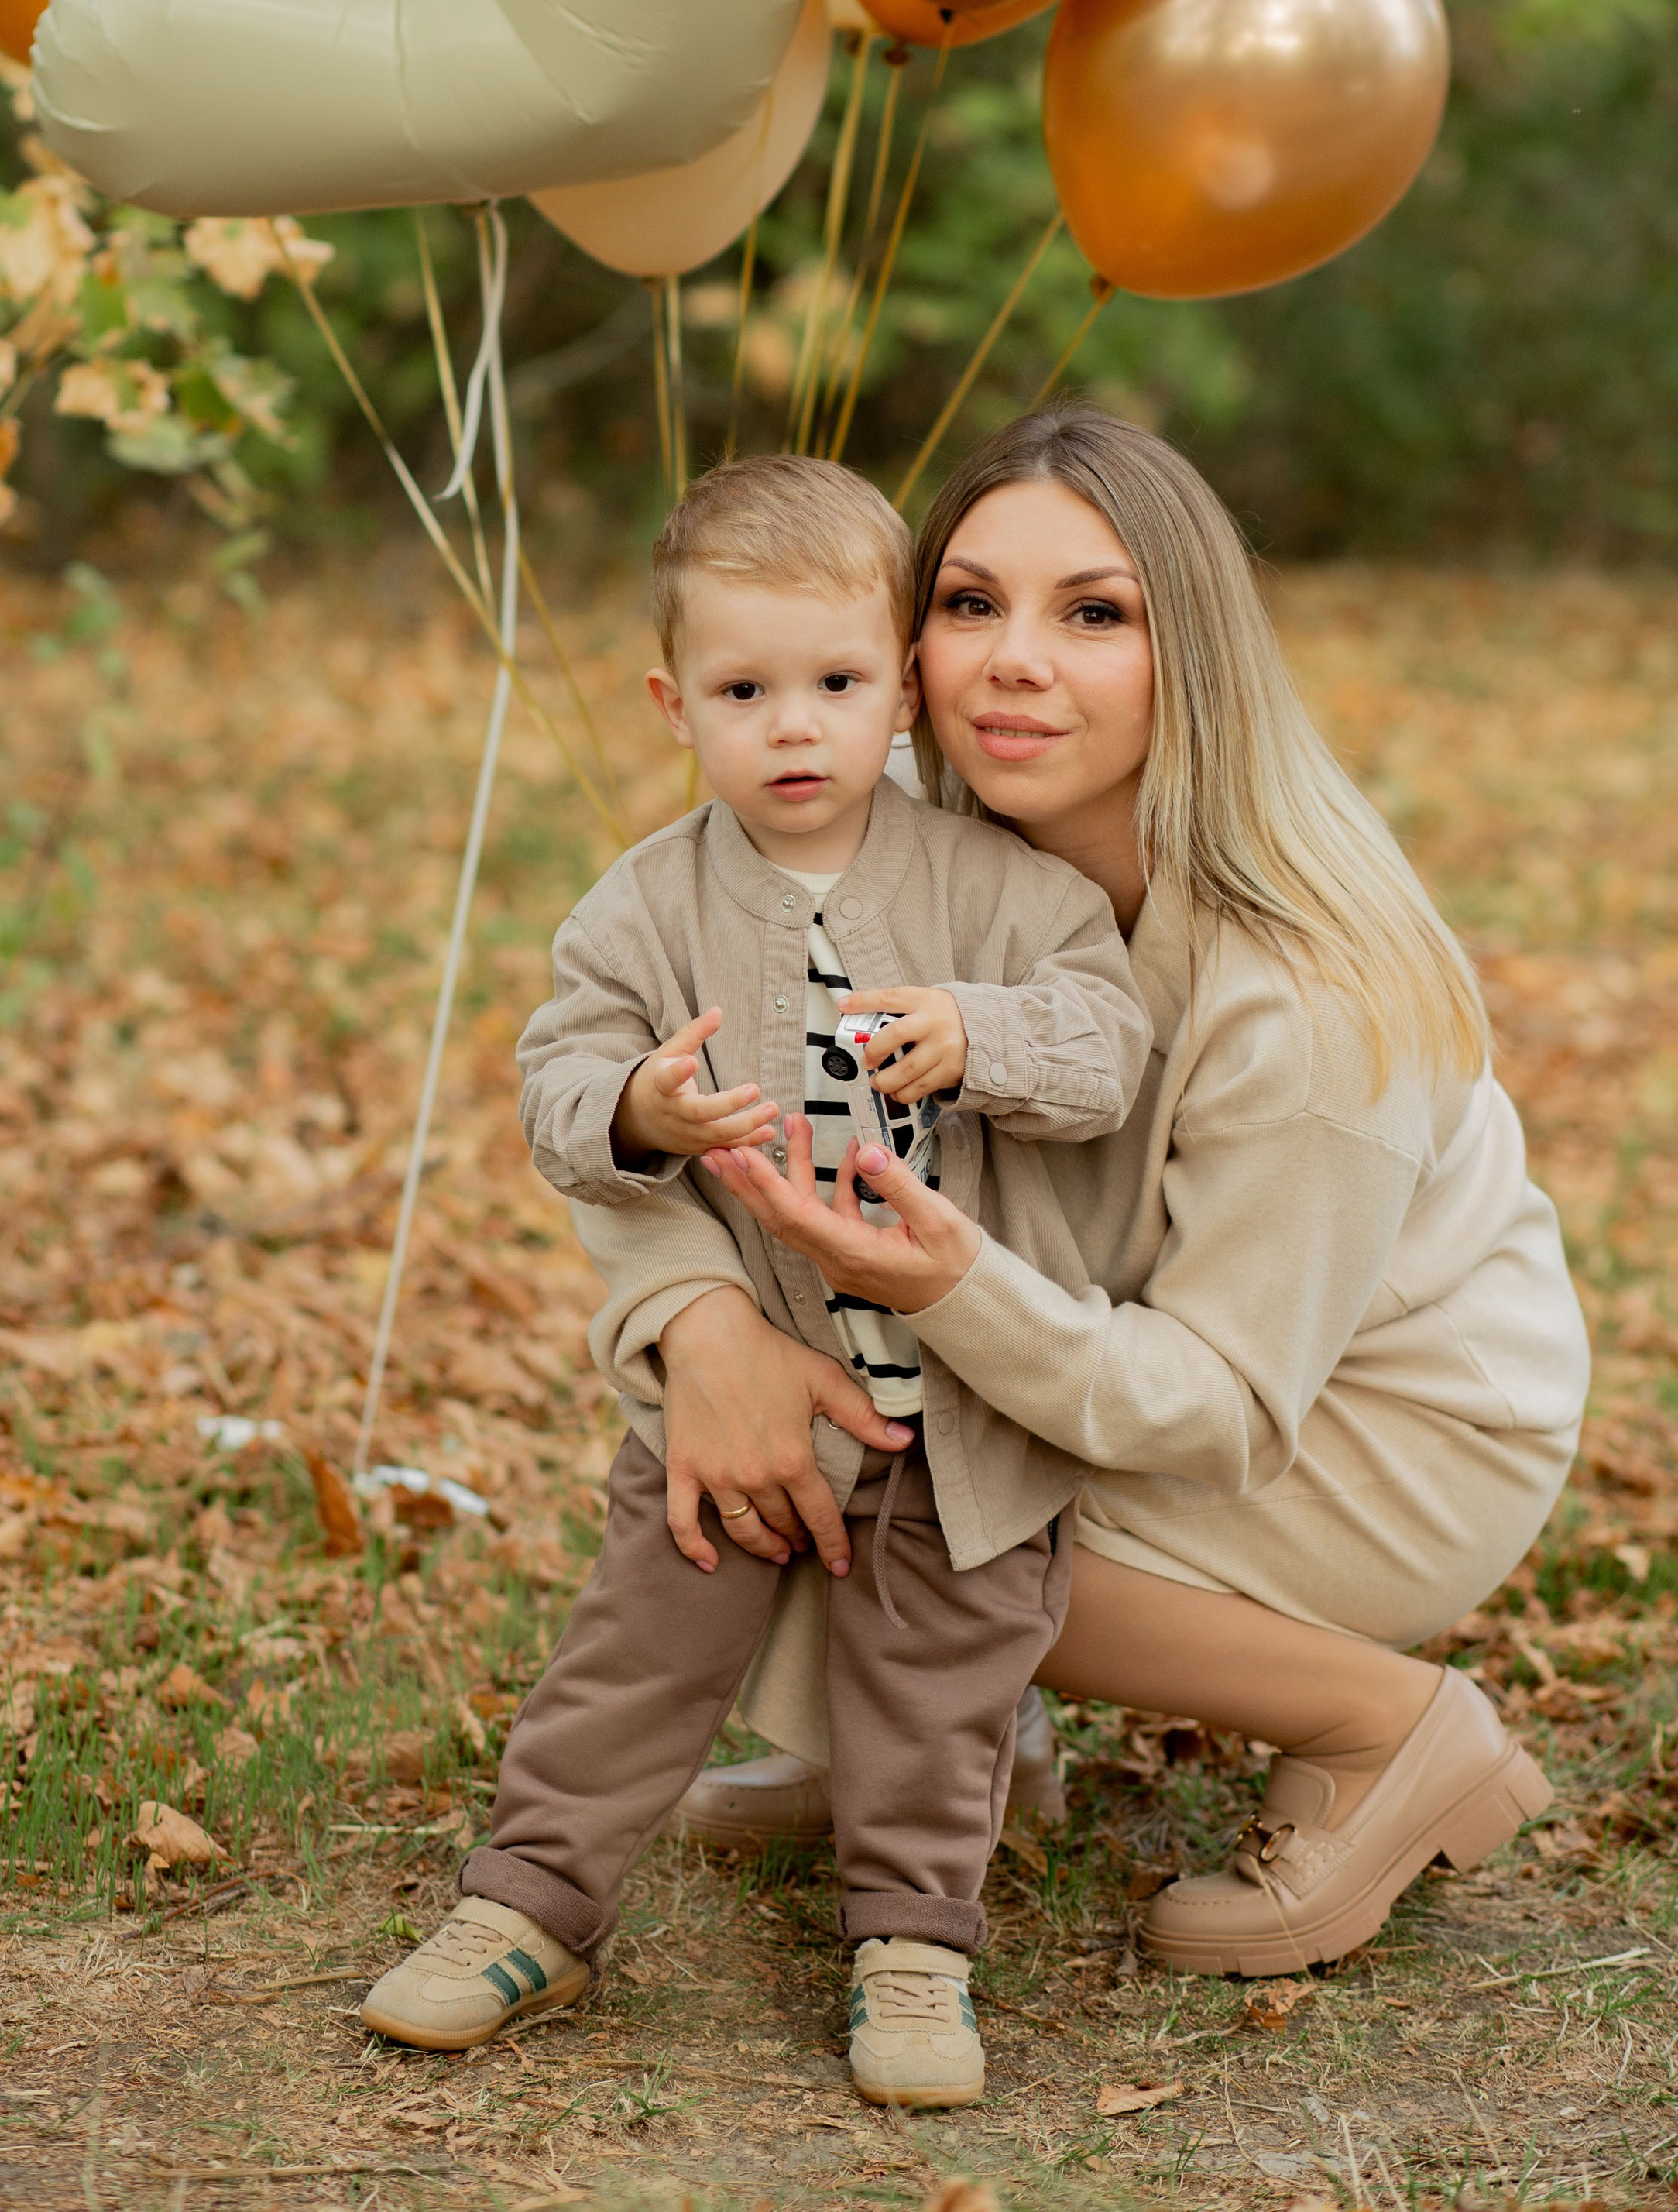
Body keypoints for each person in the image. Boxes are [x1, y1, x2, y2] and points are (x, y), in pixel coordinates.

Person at [613, 407, 1589, 1977]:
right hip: (1104, 1319)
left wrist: (943, 1292)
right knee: (761, 1419)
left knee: (912, 1501)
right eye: (968, 601)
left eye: (1093, 614)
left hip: (1370, 1415)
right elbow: (647, 1084)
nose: (1012, 660)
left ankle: (1390, 1731)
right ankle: (948, 1733)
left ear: (1185, 655)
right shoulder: (874, 815)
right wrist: (694, 1315)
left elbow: (1217, 1400)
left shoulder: (1301, 999)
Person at [361, 454, 1152, 2100]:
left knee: (940, 1683)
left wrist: (978, 1032)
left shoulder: (1004, 894)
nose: (793, 727)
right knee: (635, 1652)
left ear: (904, 696)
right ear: (674, 701)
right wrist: (636, 1104)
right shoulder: (644, 902)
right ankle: (533, 1898)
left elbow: (1105, 1052)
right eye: (744, 689)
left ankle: (915, 1952)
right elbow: (554, 1072)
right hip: (753, 1396)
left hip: (960, 1406)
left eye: (838, 684)